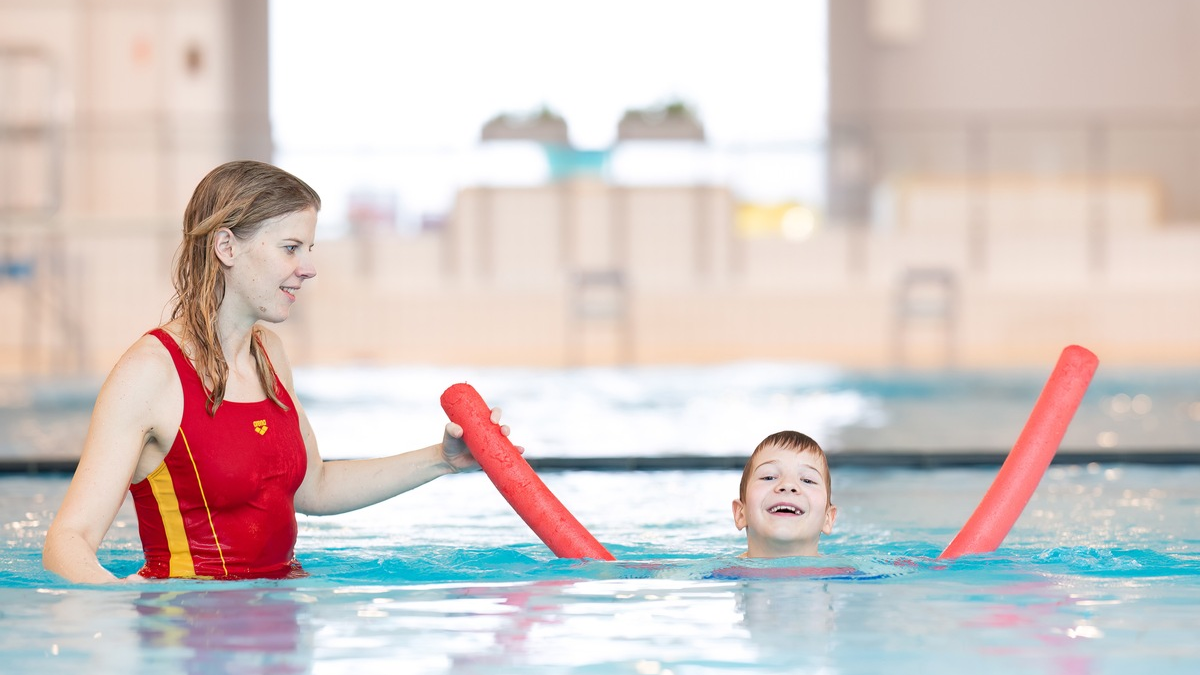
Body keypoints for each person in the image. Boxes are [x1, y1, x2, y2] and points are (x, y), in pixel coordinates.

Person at [43, 160, 508, 583]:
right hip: (189, 629)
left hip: (281, 616)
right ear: (226, 246)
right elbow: (68, 541)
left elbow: (315, 488)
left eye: (308, 248)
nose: (308, 268)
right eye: (291, 248)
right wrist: (122, 602)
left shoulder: (269, 354)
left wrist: (441, 459)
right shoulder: (150, 373)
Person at [732, 431, 838, 558]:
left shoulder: (847, 569)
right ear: (740, 514)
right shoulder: (718, 569)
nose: (788, 485)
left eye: (807, 480)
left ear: (828, 519)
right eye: (769, 477)